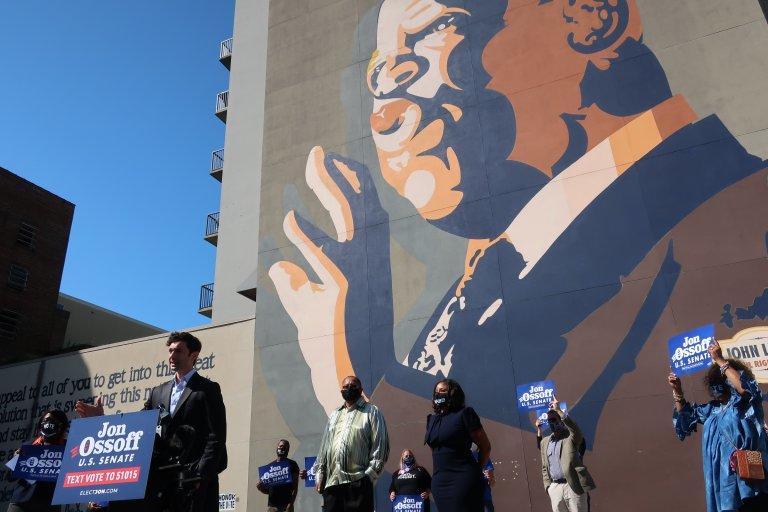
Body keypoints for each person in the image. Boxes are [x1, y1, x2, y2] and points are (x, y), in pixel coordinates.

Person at [76, 331, 227, 512]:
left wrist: (200, 475)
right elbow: (136, 427)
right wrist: (101, 419)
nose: (172, 356)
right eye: (170, 351)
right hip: (162, 477)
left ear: (193, 355)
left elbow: (216, 436)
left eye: (178, 351)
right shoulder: (158, 392)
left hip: (193, 477)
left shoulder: (207, 389)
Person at [669, 341, 768, 512]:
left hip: (749, 478)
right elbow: (684, 420)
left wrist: (719, 360)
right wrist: (678, 390)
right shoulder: (711, 410)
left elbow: (745, 389)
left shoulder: (744, 403)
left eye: (720, 380)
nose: (716, 387)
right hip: (722, 482)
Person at [314, 375, 389, 512]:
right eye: (345, 386)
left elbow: (380, 446)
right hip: (332, 485)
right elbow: (324, 447)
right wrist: (320, 474)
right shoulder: (335, 414)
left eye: (353, 386)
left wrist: (367, 478)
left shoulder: (372, 412)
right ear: (341, 391)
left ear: (361, 390)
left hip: (358, 484)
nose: (349, 388)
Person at [425, 379, 491, 512]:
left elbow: (485, 447)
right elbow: (434, 450)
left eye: (442, 391)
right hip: (440, 482)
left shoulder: (465, 414)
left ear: (453, 393)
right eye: (436, 391)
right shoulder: (431, 419)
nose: (438, 394)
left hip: (463, 479)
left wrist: (477, 471)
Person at [7, 409, 69, 512]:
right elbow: (10, 477)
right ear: (41, 424)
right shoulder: (29, 446)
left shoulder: (67, 449)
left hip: (48, 506)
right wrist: (16, 460)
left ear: (61, 426)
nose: (49, 424)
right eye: (47, 420)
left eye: (53, 421)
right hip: (20, 504)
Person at [540, 398, 595, 512]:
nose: (552, 423)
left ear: (561, 420)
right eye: (549, 420)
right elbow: (545, 467)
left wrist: (559, 411)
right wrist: (548, 487)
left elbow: (576, 431)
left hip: (573, 485)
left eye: (554, 419)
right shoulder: (545, 442)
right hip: (555, 488)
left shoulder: (570, 438)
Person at [256, 439, 300, 512]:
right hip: (272, 507)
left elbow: (295, 487)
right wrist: (260, 488)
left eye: (284, 447)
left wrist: (291, 504)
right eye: (280, 446)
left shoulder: (292, 464)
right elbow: (268, 491)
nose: (282, 448)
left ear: (287, 450)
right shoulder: (270, 467)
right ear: (277, 448)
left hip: (286, 506)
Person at [471, 447, 495, 512]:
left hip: (485, 499)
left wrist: (490, 478)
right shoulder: (459, 459)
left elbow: (492, 482)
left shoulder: (483, 457)